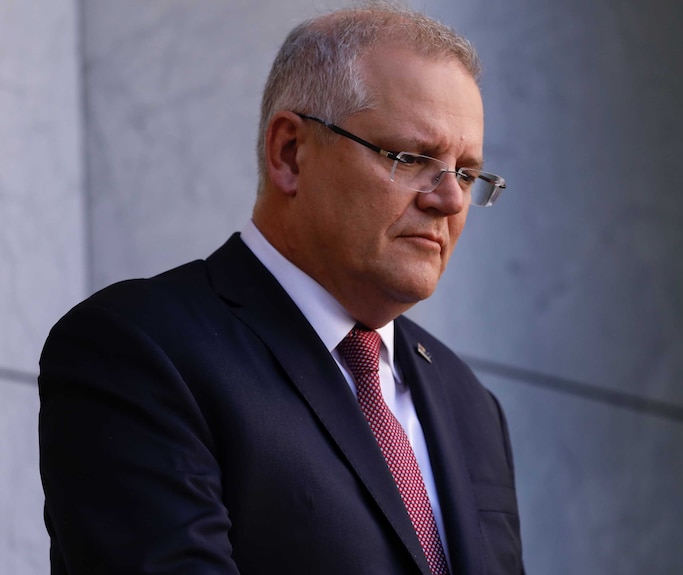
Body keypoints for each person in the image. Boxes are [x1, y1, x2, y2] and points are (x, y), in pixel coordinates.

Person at [38, 4, 524, 574]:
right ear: (290, 152)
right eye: (412, 158)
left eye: (467, 174)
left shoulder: (469, 402)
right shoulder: (140, 348)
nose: (449, 200)